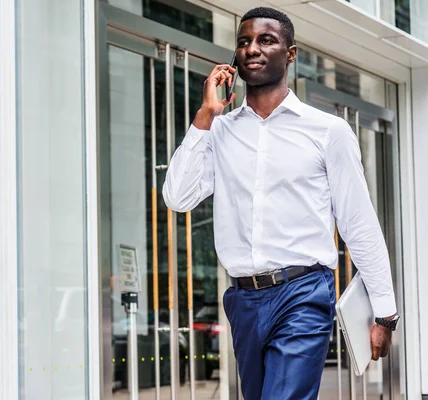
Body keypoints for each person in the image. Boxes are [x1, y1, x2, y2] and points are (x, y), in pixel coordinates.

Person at [162, 6, 399, 400]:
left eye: (266, 40)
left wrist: (386, 314)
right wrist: (204, 119)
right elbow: (178, 196)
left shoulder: (327, 131)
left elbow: (359, 224)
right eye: (244, 42)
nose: (252, 49)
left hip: (304, 292)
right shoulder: (219, 131)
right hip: (243, 301)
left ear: (290, 54)